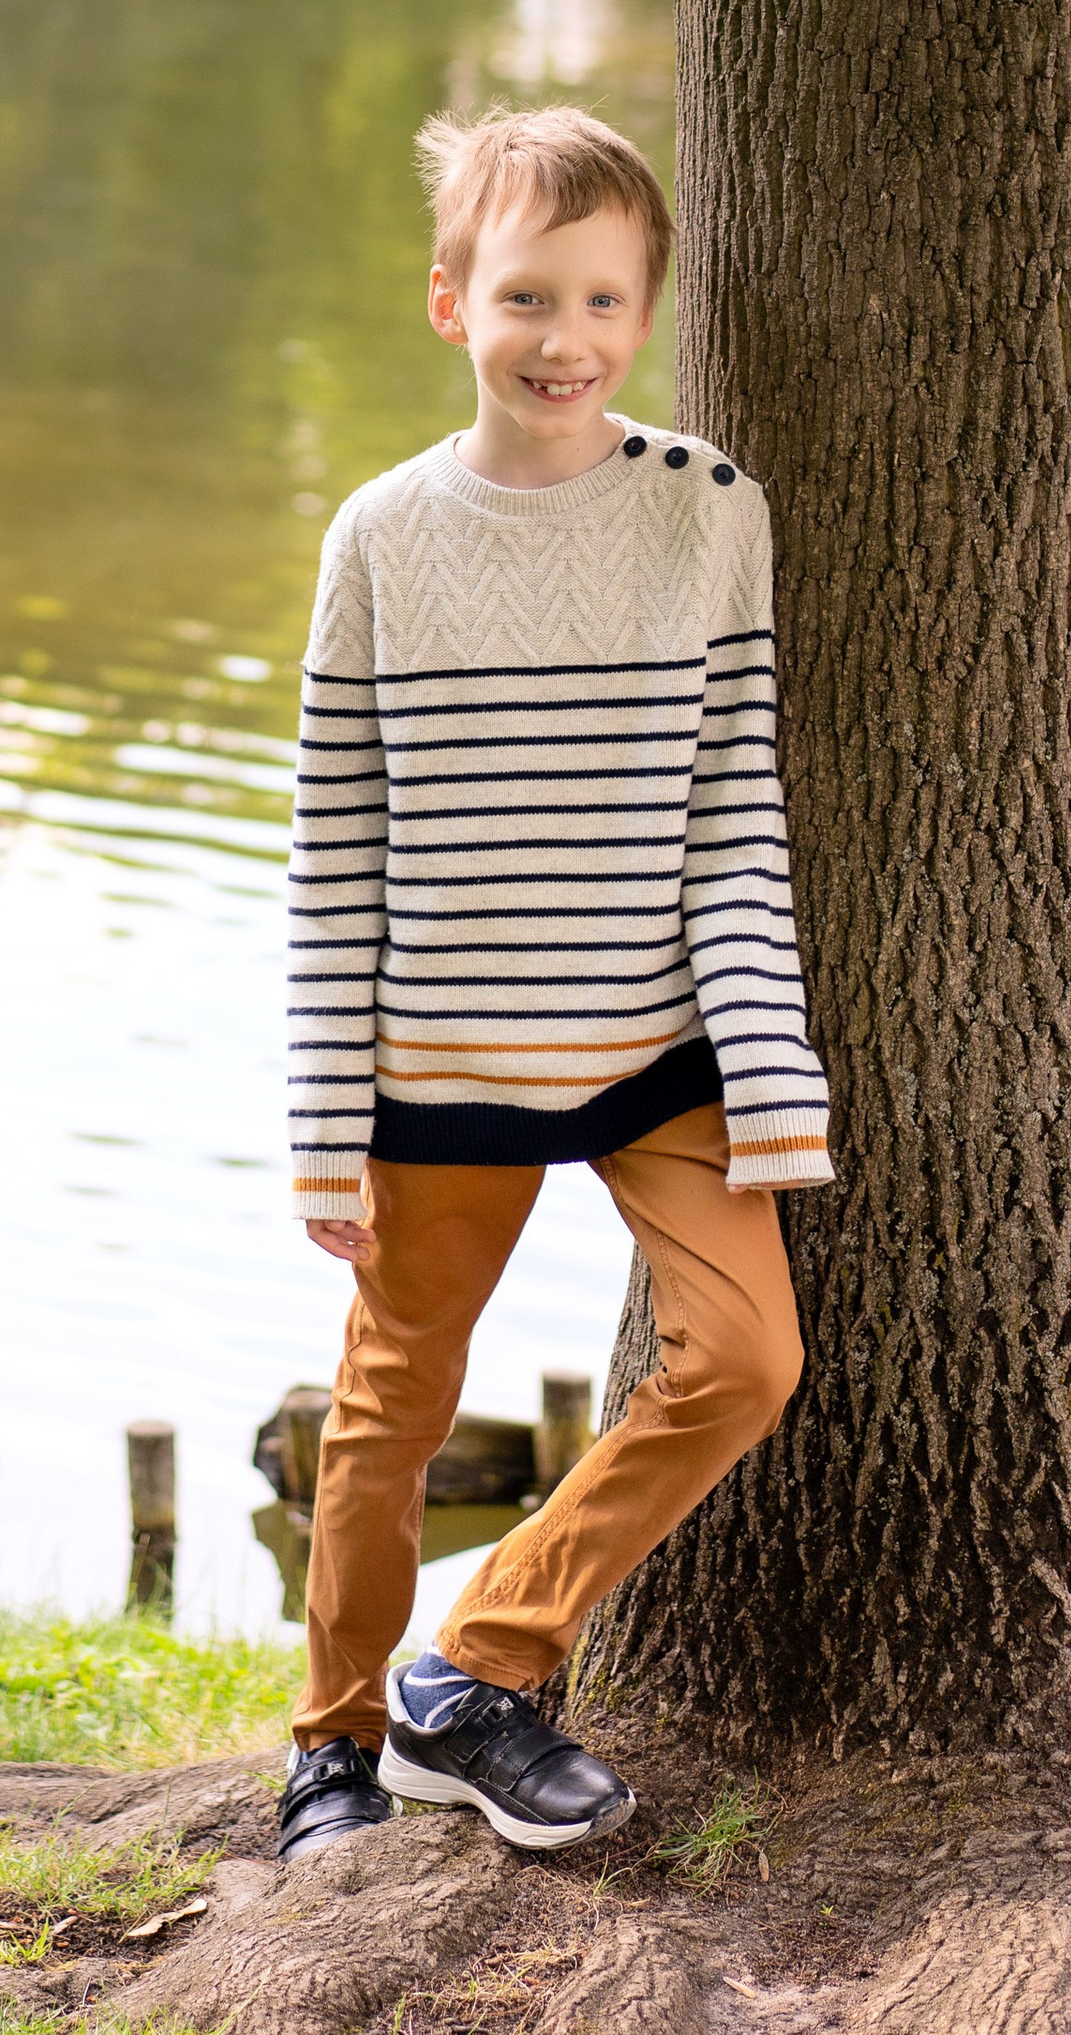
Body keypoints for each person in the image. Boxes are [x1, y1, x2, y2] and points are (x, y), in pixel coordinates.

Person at [277, 103, 832, 1869]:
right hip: (435, 1056)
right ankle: (335, 1746)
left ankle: (481, 1661)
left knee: (748, 1358)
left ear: (646, 311)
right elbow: (335, 844)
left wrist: (771, 1063)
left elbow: (737, 799)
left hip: (661, 1045)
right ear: (450, 301)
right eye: (526, 299)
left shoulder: (707, 515)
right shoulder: (379, 535)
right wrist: (319, 1129)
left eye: (601, 303)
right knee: (390, 1412)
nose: (564, 342)